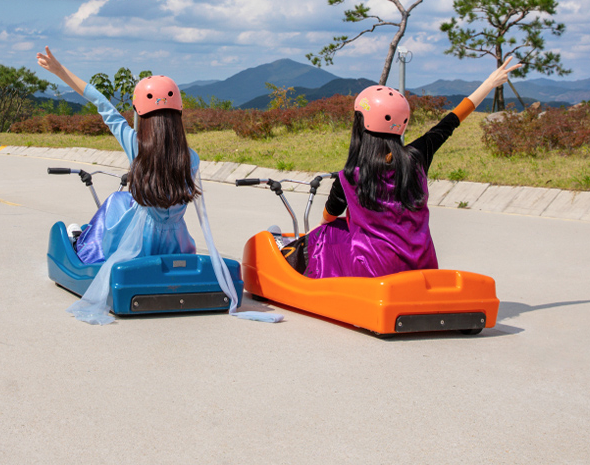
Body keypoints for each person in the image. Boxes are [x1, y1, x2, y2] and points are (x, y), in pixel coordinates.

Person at [36, 47, 281, 325]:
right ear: (178, 115)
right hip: (176, 244)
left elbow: (103, 105)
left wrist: (60, 71)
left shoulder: (137, 147)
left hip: (139, 243)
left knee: (116, 203)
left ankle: (81, 241)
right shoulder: (191, 158)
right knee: (123, 203)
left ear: (141, 115)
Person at [280, 57, 523, 279]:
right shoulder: (416, 157)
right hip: (421, 265)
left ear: (361, 124)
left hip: (374, 269)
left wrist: (323, 226)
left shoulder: (349, 177)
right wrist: (490, 83)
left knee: (325, 233)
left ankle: (300, 272)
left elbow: (329, 217)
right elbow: (451, 120)